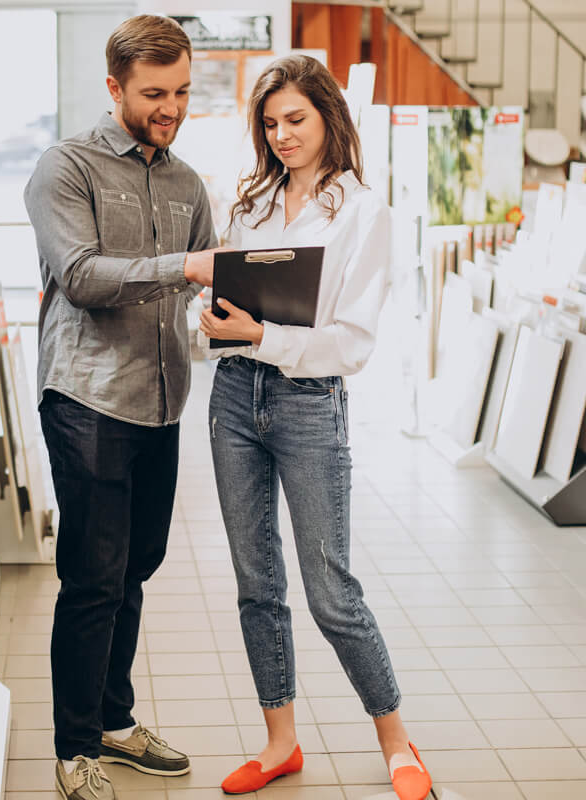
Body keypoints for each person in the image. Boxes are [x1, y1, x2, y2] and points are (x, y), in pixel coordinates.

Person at [198, 55, 433, 800]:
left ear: (331, 116)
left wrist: (264, 336)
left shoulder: (367, 215)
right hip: (234, 394)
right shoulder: (252, 202)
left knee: (330, 588)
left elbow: (350, 344)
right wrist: (213, 320)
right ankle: (280, 743)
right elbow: (227, 300)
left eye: (295, 119)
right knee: (256, 583)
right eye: (270, 124)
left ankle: (398, 741)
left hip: (307, 403)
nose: (282, 135)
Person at [24, 15, 219, 800]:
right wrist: (187, 266)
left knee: (136, 567)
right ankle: (75, 749)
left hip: (161, 401)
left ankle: (112, 718)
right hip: (90, 401)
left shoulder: (187, 183)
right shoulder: (64, 167)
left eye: (179, 91)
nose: (169, 107)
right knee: (93, 578)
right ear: (114, 88)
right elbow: (81, 275)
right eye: (153, 94)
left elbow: (208, 280)